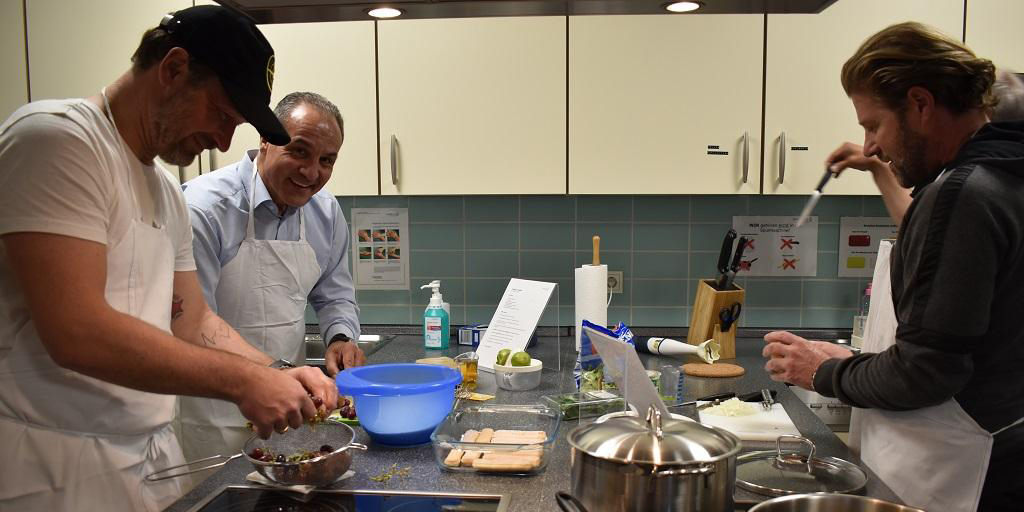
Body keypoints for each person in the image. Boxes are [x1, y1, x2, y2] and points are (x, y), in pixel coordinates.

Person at [0, 6, 338, 511]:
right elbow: (76, 330)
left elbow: (193, 319)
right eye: (224, 116)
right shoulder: (56, 141)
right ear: (174, 69)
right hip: (54, 463)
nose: (225, 141)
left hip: (149, 461)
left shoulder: (162, 187)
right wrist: (245, 380)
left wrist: (278, 370)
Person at [763, 22, 1024, 511]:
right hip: (998, 447)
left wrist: (821, 370)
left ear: (921, 105)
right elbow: (941, 257)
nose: (870, 145)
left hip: (957, 472)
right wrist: (847, 365)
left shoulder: (962, 195)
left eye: (873, 124)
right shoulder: (1001, 175)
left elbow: (924, 373)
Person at [179, 91, 363, 464]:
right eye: (299, 151)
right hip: (211, 410)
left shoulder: (325, 213)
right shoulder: (204, 209)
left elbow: (334, 292)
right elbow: (195, 324)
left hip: (286, 409)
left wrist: (340, 336)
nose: (312, 173)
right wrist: (277, 373)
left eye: (326, 161)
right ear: (264, 138)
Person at [827, 68, 1024, 224]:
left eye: (874, 126)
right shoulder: (1002, 183)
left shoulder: (966, 193)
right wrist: (877, 167)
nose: (869, 148)